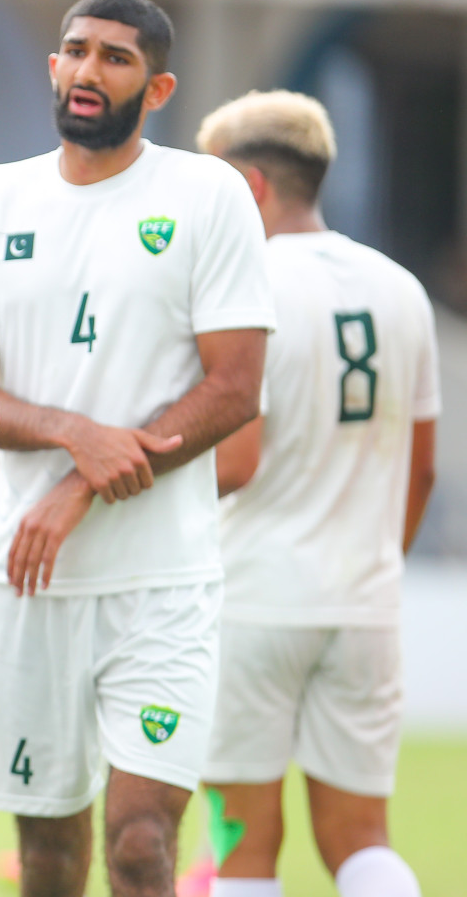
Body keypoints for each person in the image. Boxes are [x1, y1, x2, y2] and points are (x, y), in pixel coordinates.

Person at [0, 0, 275, 897]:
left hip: (161, 584)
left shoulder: (206, 194)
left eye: (117, 57)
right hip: (32, 585)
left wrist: (85, 480)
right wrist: (69, 435)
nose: (90, 69)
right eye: (77, 50)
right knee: (47, 857)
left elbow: (237, 388)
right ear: (54, 67)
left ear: (157, 87)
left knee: (137, 845)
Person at [193, 91, 437, 897]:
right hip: (365, 602)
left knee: (242, 848)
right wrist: (372, 566)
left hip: (256, 597)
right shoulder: (400, 287)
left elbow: (235, 463)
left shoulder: (243, 286)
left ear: (252, 186)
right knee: (363, 842)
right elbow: (423, 466)